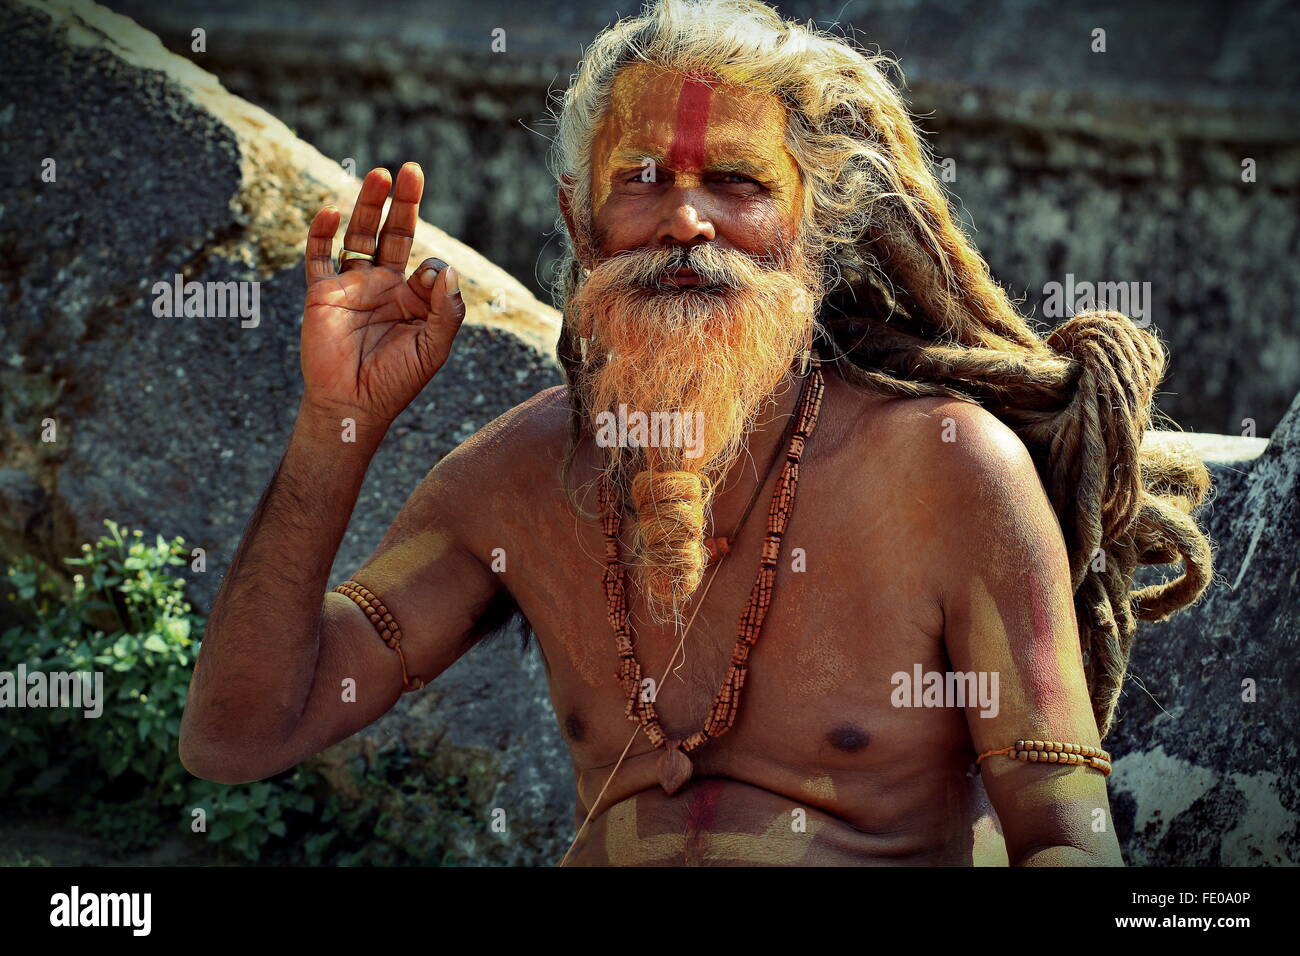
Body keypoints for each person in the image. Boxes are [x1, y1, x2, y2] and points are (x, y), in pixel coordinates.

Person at [179, 0, 1212, 866]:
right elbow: (237, 732)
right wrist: (337, 424)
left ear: (812, 223)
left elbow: (1064, 842)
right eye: (640, 181)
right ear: (580, 220)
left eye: (737, 182)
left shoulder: (943, 470)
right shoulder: (516, 478)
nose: (684, 222)